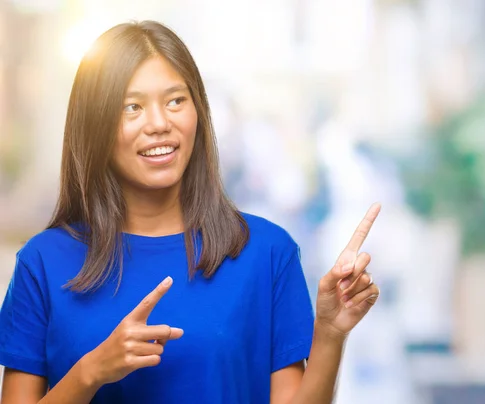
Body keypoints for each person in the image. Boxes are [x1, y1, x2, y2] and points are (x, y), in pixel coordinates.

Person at [0, 20, 381, 404]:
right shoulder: (43, 262)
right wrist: (92, 371)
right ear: (96, 124)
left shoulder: (266, 253)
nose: (160, 124)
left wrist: (331, 333)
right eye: (132, 107)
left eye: (175, 101)